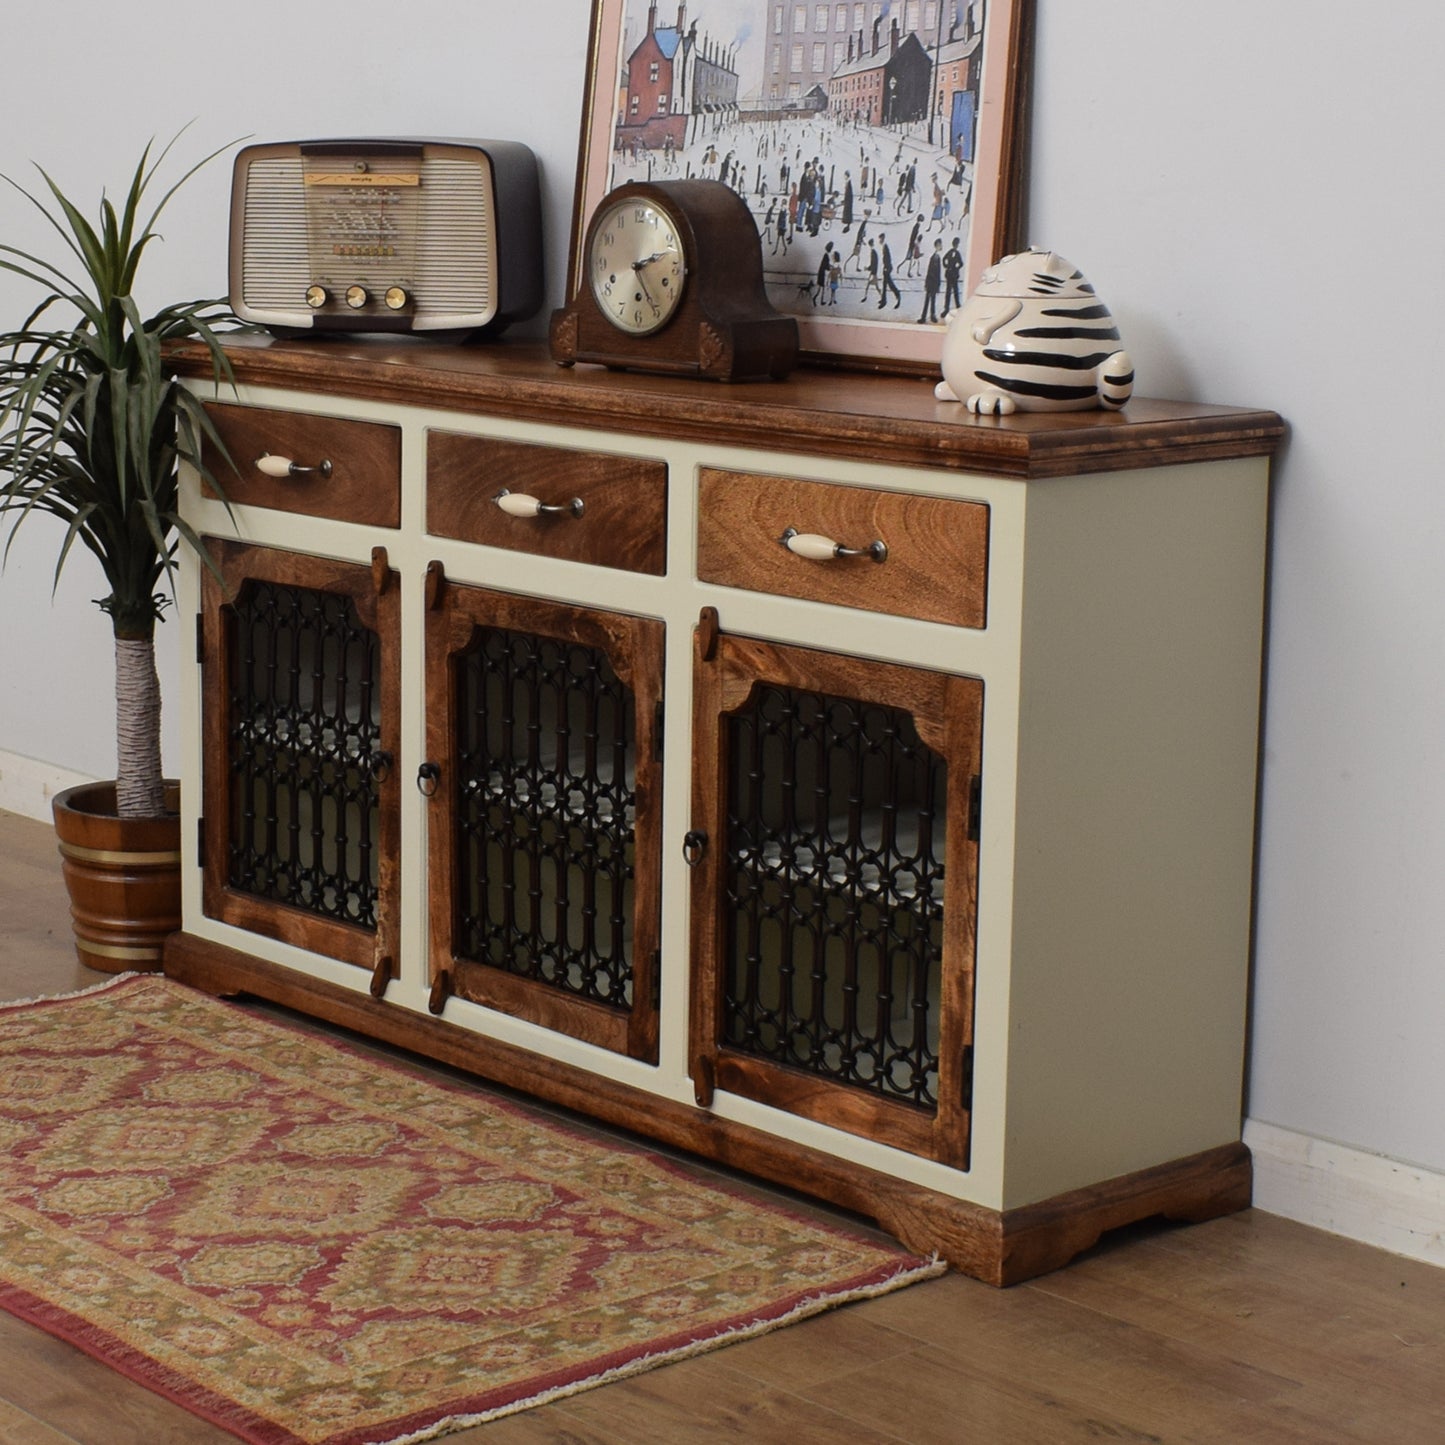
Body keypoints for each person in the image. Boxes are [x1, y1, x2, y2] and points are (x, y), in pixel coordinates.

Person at [919, 239, 943, 323]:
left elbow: (937, 272)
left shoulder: (936, 257)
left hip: (933, 283)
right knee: (929, 300)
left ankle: (929, 316)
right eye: (940, 245)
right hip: (931, 283)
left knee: (931, 300)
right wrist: (928, 283)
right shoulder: (935, 257)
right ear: (936, 246)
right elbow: (931, 271)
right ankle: (926, 317)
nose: (941, 246)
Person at [941, 237, 964, 316]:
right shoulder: (950, 252)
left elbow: (961, 263)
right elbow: (944, 259)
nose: (955, 245)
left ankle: (958, 306)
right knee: (948, 292)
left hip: (954, 275)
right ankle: (946, 309)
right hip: (949, 275)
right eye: (955, 244)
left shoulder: (957, 253)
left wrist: (956, 268)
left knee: (956, 291)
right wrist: (946, 266)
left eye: (956, 244)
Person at [877, 235, 901, 309]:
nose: (879, 241)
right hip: (886, 267)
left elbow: (887, 258)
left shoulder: (885, 247)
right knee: (884, 285)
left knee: (890, 284)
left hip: (887, 268)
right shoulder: (884, 246)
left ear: (882, 239)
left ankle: (898, 295)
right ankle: (883, 300)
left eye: (880, 239)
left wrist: (886, 268)